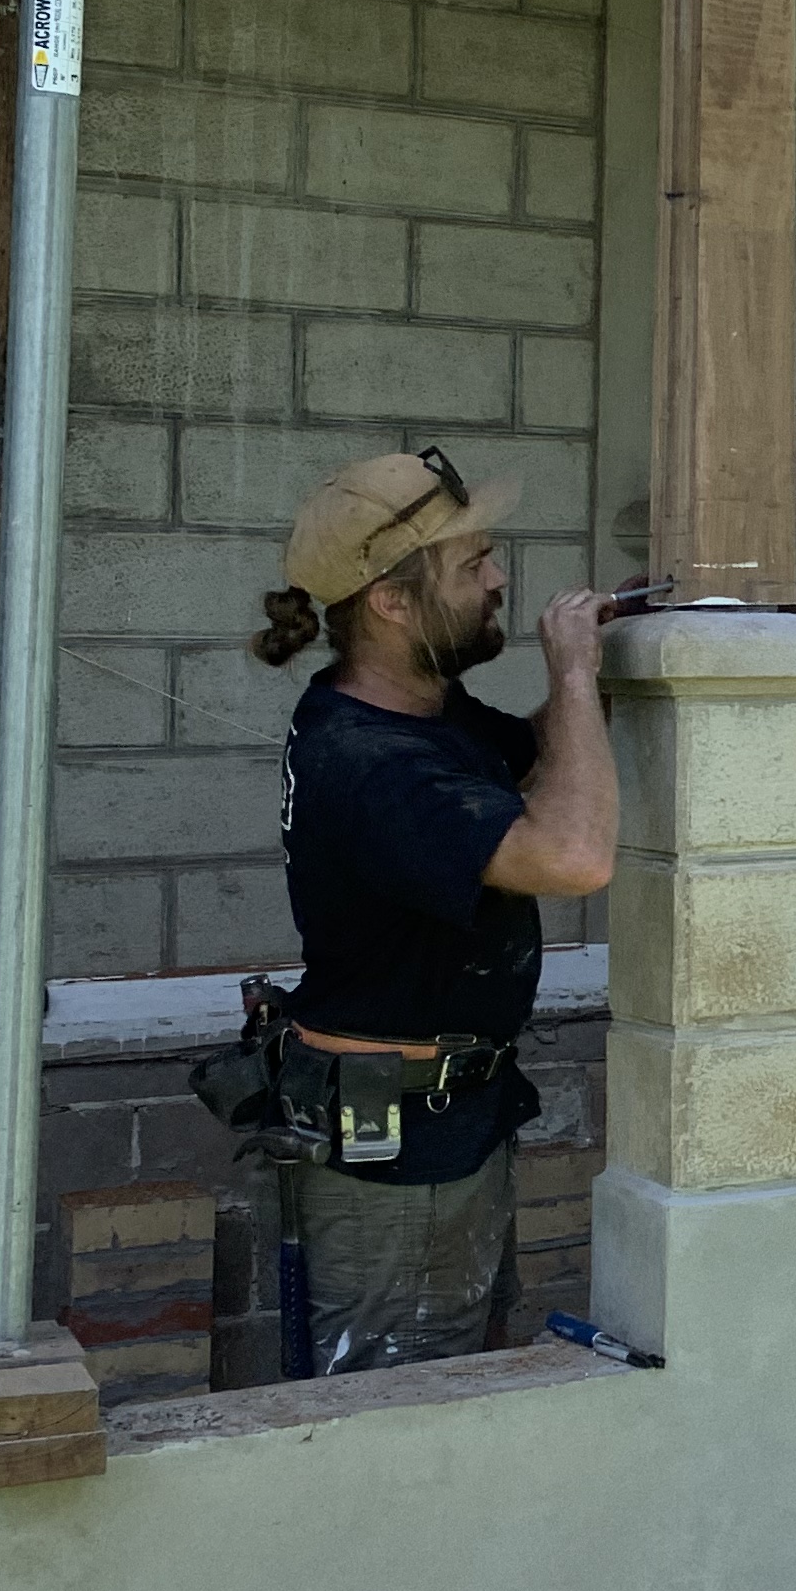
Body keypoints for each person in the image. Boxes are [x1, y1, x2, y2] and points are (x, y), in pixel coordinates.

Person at [242, 449, 620, 1374]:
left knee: (455, 1375)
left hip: (446, 1122)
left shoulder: (418, 710)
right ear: (390, 601)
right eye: (473, 564)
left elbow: (536, 763)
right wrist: (569, 669)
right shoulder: (371, 764)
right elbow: (572, 856)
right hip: (399, 1156)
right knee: (399, 1404)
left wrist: (634, 645)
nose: (499, 579)